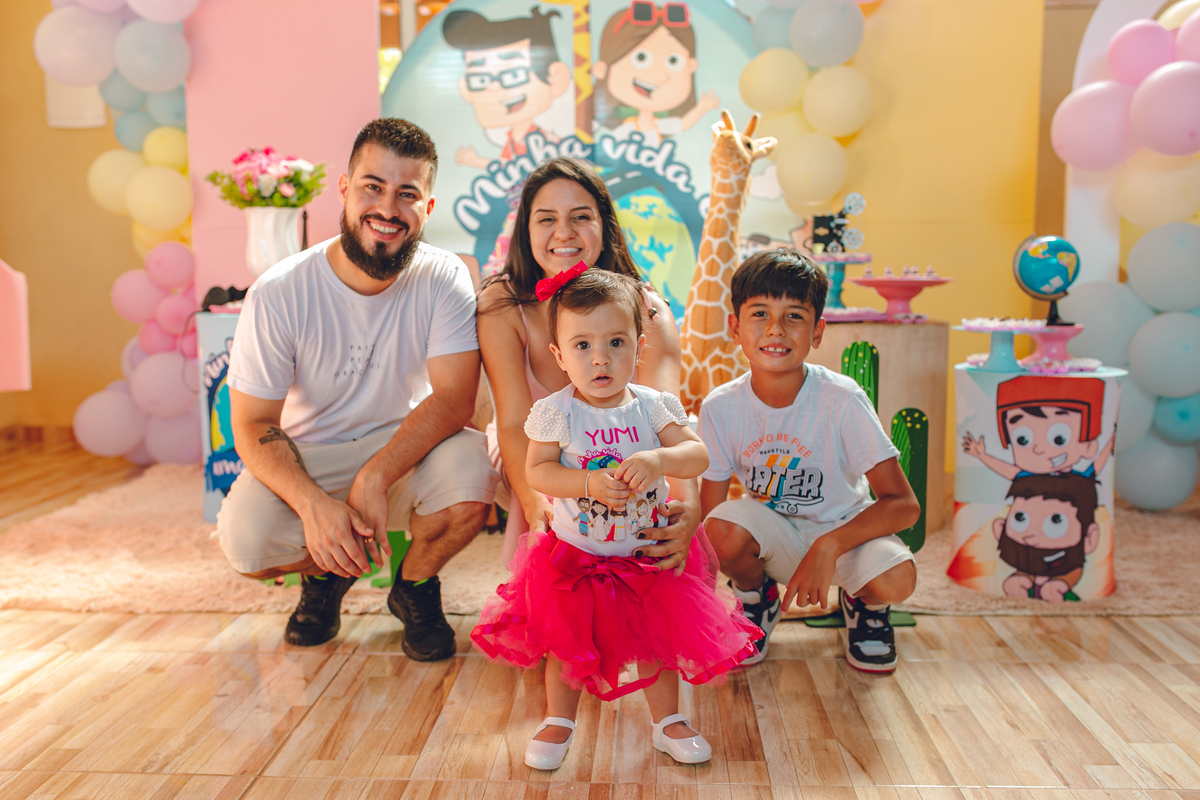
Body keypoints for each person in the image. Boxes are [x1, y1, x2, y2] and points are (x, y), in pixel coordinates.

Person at [216, 118, 498, 660]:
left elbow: (454, 399)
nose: (387, 208)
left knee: (475, 473)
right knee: (246, 543)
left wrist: (376, 475)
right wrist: (312, 507)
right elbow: (252, 423)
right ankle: (327, 574)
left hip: (407, 447)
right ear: (345, 189)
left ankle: (414, 584)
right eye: (373, 186)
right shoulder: (279, 291)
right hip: (311, 455)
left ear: (427, 207)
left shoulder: (444, 276)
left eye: (407, 193)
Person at [471, 268, 761, 770]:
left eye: (616, 342)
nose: (600, 358)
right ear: (559, 355)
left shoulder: (653, 408)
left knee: (656, 642)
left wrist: (659, 460)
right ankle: (559, 719)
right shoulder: (556, 412)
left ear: (639, 347)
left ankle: (668, 721)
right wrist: (586, 483)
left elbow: (696, 455)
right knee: (567, 645)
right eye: (582, 345)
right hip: (576, 558)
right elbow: (537, 471)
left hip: (645, 556)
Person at [697, 249, 920, 674]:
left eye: (794, 316)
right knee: (720, 529)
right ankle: (756, 598)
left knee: (897, 578)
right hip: (775, 539)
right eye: (759, 314)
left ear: (817, 332)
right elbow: (711, 516)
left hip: (845, 537)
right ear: (735, 327)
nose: (775, 329)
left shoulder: (843, 399)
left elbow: (904, 505)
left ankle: (866, 605)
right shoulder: (720, 407)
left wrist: (829, 545)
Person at [476, 156, 700, 571]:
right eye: (547, 219)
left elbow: (667, 426)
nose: (564, 232)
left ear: (605, 226)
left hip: (629, 449)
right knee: (560, 471)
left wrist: (687, 509)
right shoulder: (501, 304)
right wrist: (535, 503)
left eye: (581, 216)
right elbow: (512, 421)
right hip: (533, 447)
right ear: (525, 230)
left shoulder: (649, 310)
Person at [443, 7, 571, 168]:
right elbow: (506, 168)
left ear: (555, 76)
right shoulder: (511, 141)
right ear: (465, 89)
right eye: (481, 80)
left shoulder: (547, 141)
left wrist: (477, 161)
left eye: (514, 75)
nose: (495, 89)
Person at [593, 1, 720, 146]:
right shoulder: (624, 129)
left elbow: (683, 124)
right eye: (641, 58)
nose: (660, 77)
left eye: (673, 61)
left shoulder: (660, 125)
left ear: (691, 66)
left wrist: (702, 107)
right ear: (602, 68)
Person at [962, 375, 1113, 480]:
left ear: (1089, 446)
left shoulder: (1079, 481)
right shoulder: (1026, 480)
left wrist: (1110, 442)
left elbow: (1096, 467)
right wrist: (982, 456)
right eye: (1022, 440)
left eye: (1059, 438)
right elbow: (1008, 470)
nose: (1038, 449)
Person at [993, 472, 1101, 602]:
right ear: (1000, 527)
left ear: (1090, 539)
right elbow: (1026, 567)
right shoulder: (1022, 554)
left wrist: (1061, 583)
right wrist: (1018, 580)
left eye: (1056, 520)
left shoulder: (1067, 557)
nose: (1031, 536)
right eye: (1020, 517)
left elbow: (1074, 570)